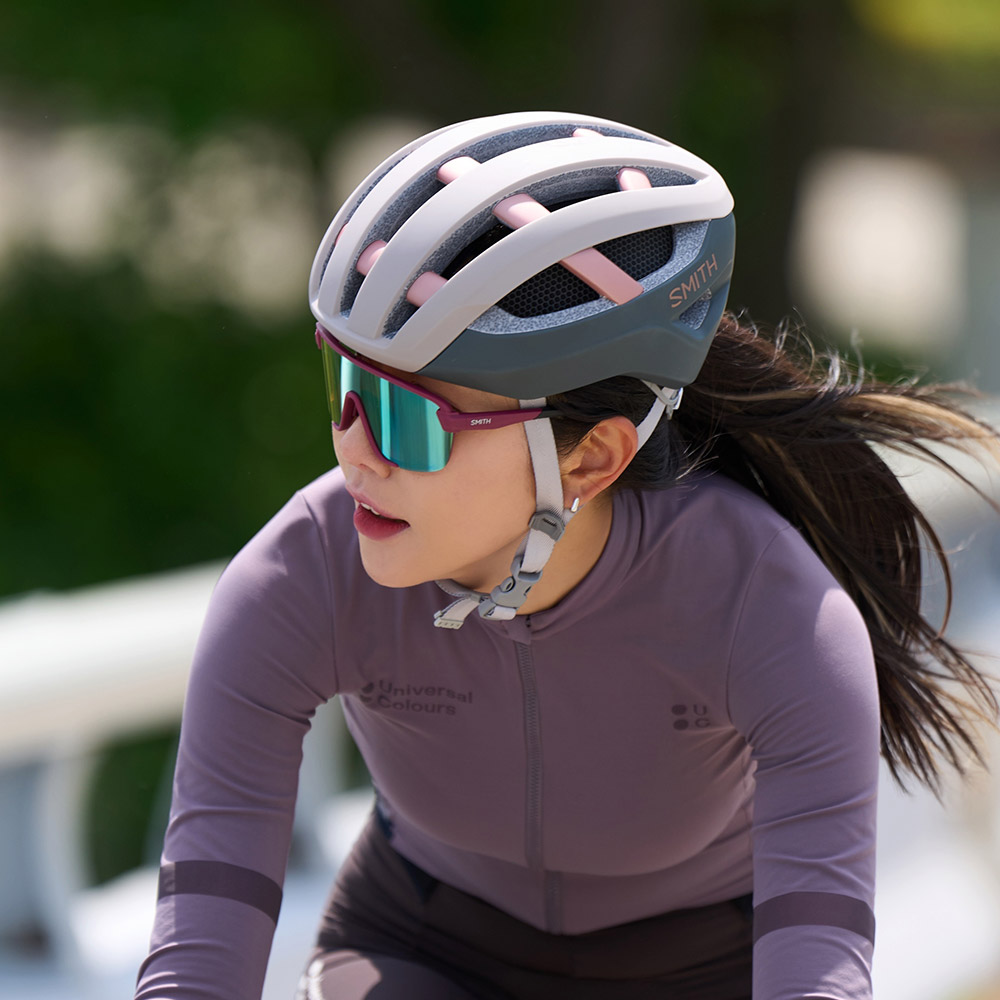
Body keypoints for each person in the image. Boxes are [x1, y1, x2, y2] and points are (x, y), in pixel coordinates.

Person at [135, 112, 999, 1000]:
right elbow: (200, 941)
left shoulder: (769, 608)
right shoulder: (305, 571)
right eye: (345, 385)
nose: (352, 451)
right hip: (424, 944)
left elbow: (819, 964)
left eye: (406, 419)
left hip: (701, 972)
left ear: (592, 458)